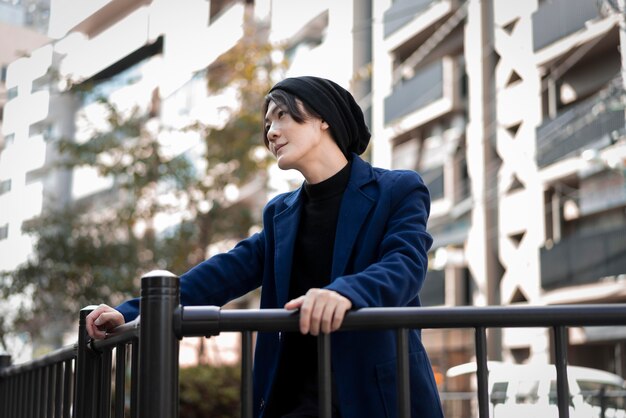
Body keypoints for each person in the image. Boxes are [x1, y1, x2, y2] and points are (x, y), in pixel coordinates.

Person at [86, 76, 444, 418]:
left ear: (323, 118)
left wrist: (344, 294)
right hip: (296, 398)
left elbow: (405, 264)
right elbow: (226, 272)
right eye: (267, 123)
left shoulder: (398, 189)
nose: (270, 132)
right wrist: (130, 311)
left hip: (377, 396)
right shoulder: (280, 212)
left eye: (282, 116)